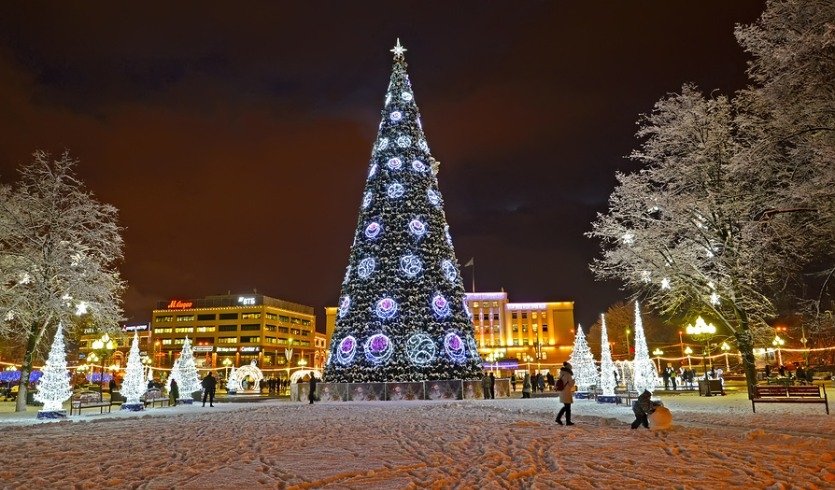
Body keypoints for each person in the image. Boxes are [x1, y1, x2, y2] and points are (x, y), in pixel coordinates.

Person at [555, 362, 576, 426]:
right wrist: (574, 381)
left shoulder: (562, 373)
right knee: (567, 407)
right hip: (566, 392)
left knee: (566, 407)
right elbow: (571, 384)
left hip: (562, 392)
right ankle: (567, 421)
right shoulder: (568, 374)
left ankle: (560, 419)